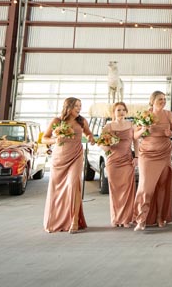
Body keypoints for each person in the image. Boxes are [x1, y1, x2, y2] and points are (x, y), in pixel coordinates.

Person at [43, 97, 95, 233]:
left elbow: (89, 133)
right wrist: (55, 139)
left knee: (73, 186)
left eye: (80, 106)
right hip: (59, 158)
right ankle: (56, 220)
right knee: (57, 190)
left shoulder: (82, 121)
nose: (79, 108)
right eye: (76, 106)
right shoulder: (57, 121)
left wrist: (90, 137)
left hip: (76, 156)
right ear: (68, 106)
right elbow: (44, 139)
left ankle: (74, 220)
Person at [133, 91, 172, 231]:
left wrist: (171, 134)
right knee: (145, 187)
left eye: (164, 99)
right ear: (152, 101)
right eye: (159, 99)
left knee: (162, 186)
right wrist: (144, 129)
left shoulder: (169, 115)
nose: (162, 101)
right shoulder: (145, 115)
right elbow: (135, 135)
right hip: (147, 154)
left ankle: (159, 217)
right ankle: (141, 218)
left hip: (164, 153)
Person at [102, 102, 138, 227]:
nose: (121, 112)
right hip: (113, 161)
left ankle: (126, 219)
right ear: (114, 112)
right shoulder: (108, 126)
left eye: (123, 110)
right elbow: (102, 145)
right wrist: (107, 145)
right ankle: (116, 219)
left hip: (127, 160)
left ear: (126, 112)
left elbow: (136, 142)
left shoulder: (131, 125)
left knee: (128, 190)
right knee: (115, 190)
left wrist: (136, 157)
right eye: (118, 110)